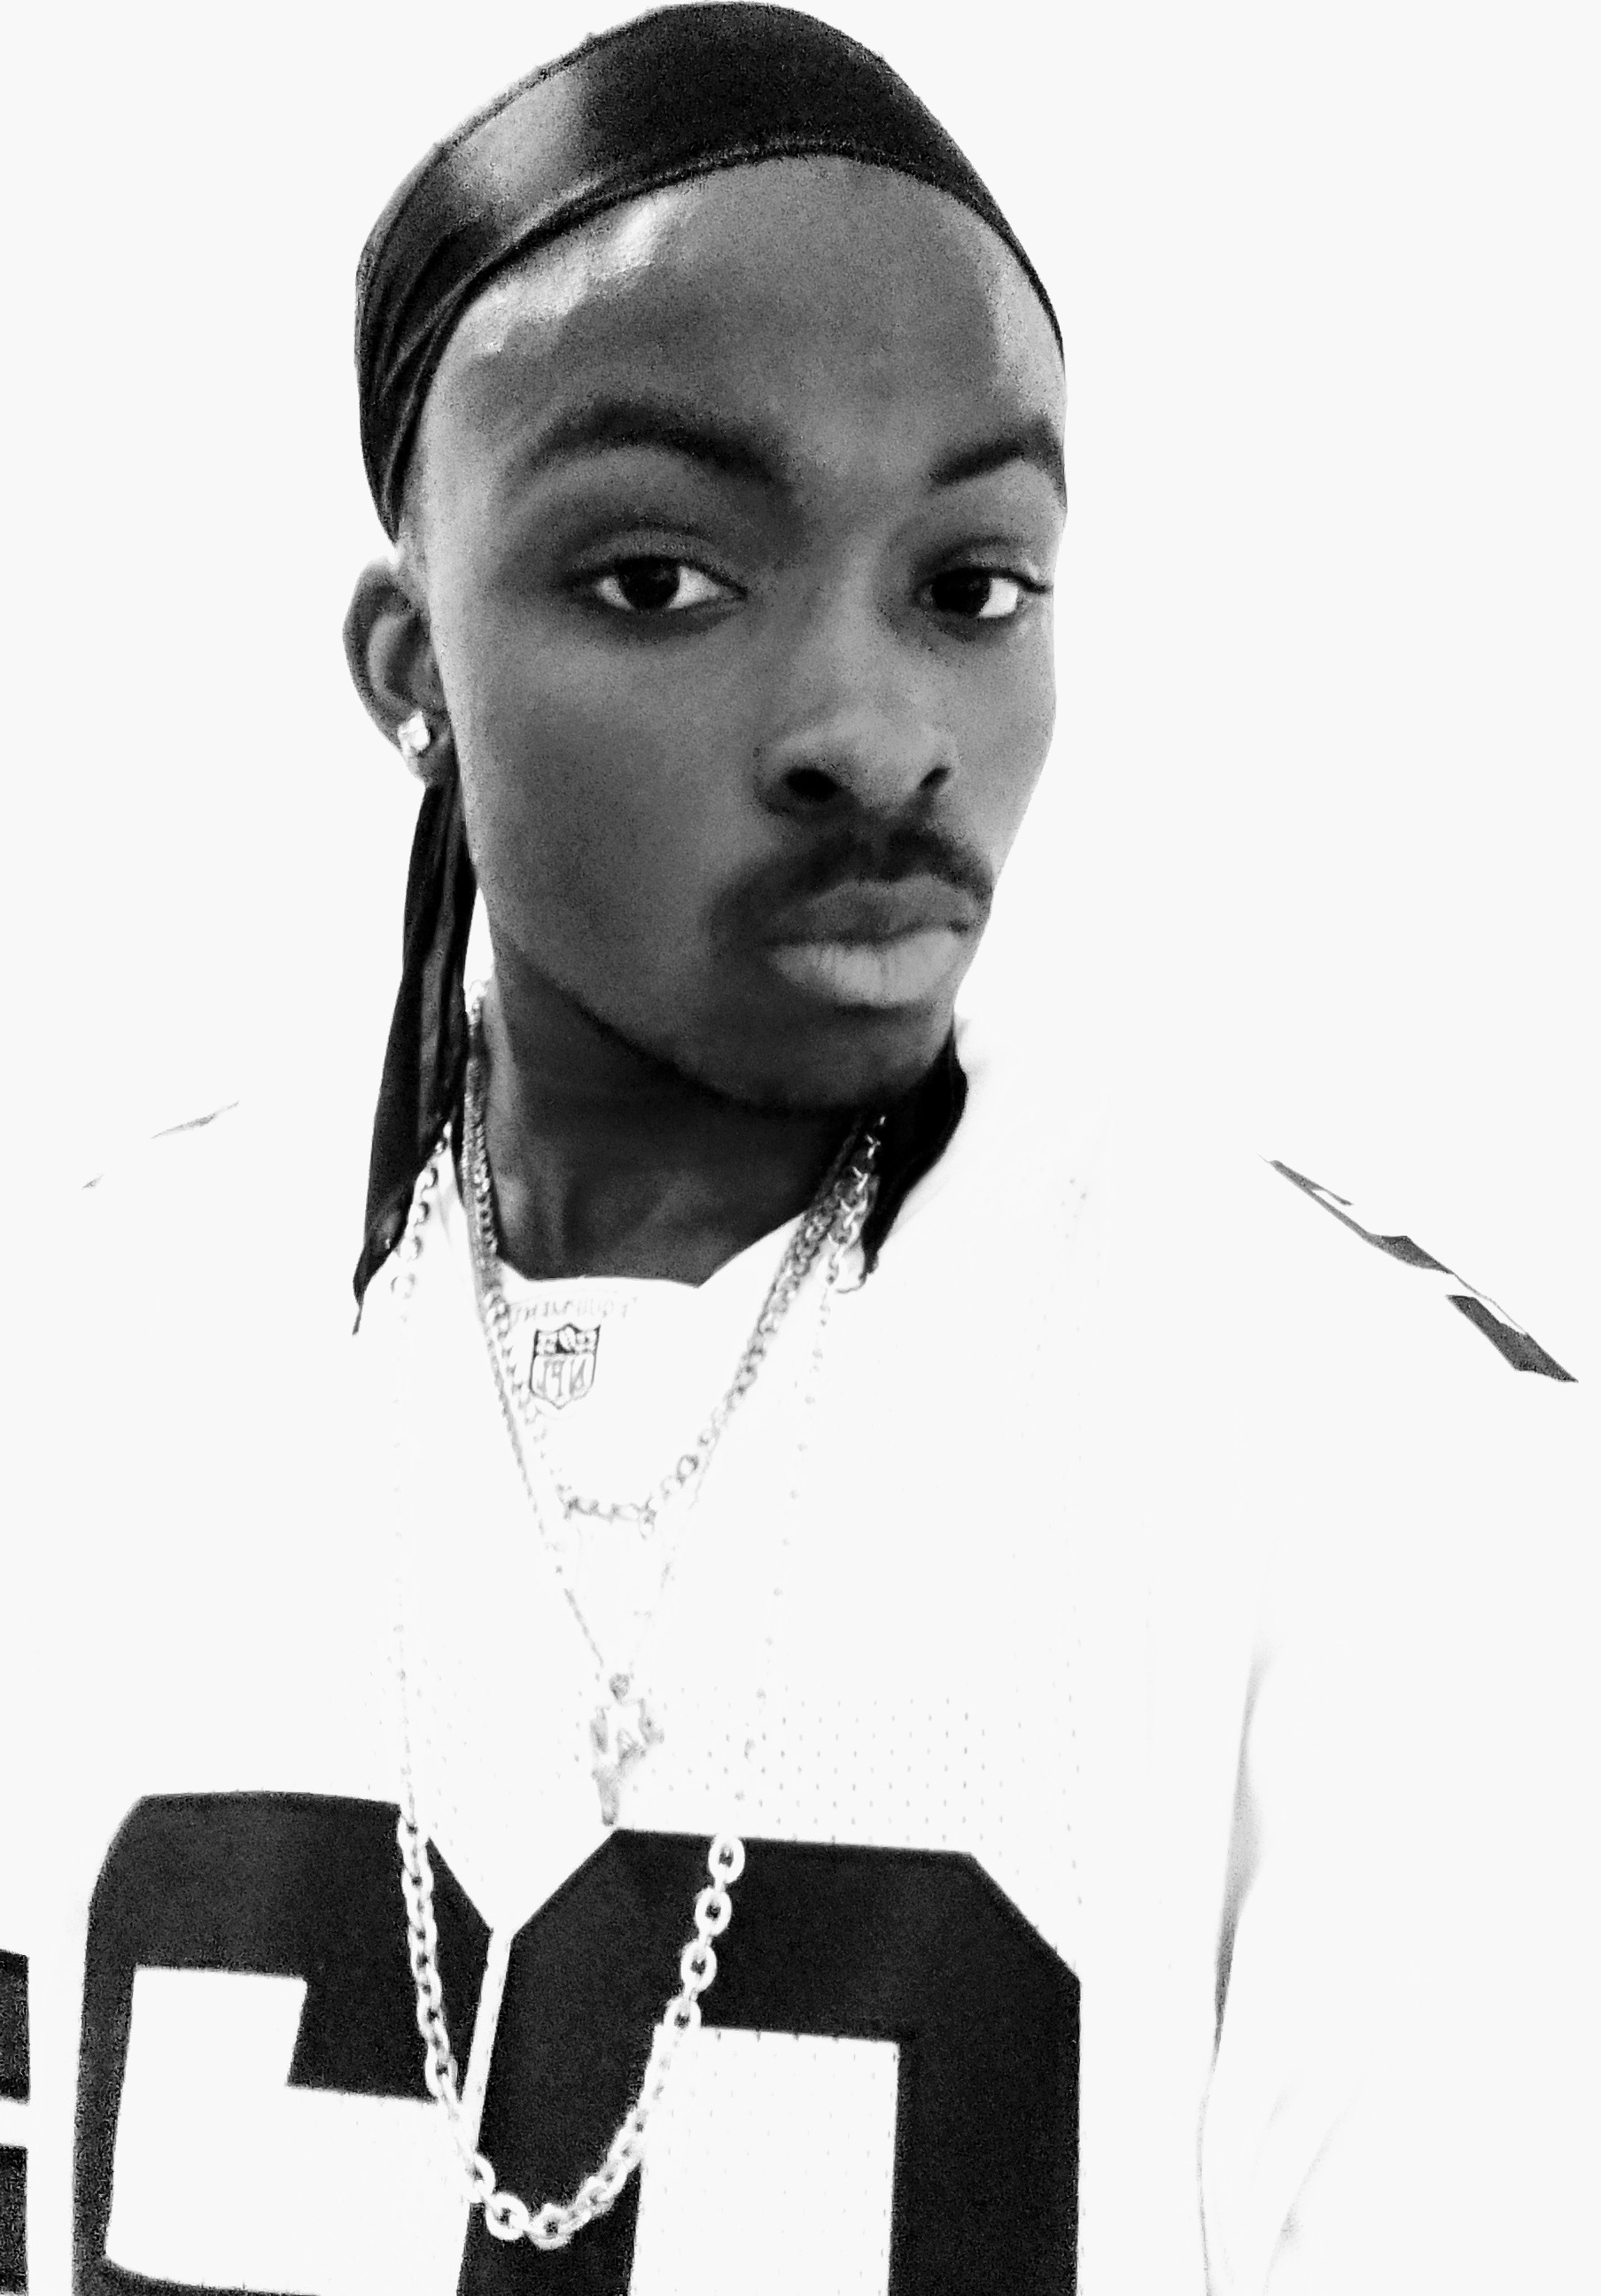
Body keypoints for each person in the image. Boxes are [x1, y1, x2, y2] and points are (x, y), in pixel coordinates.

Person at [4, 8, 1594, 2292]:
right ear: (411, 666)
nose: (877, 732)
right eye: (663, 577)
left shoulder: (1373, 1463)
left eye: (972, 585)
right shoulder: (84, 1349)